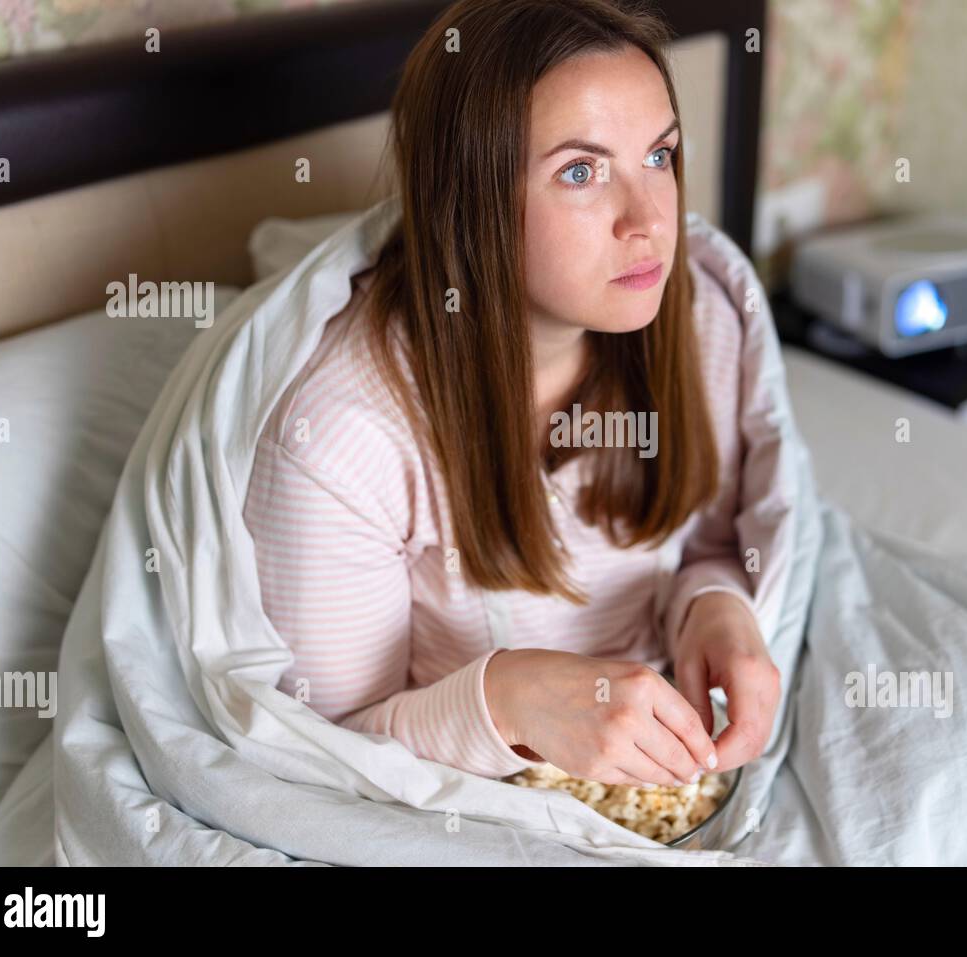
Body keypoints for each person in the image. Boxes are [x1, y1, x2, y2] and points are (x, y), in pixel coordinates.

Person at [242, 0, 781, 789]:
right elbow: (322, 751)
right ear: (473, 203)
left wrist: (715, 607)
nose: (650, 222)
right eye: (580, 170)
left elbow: (711, 540)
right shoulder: (341, 435)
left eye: (659, 157)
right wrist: (508, 700)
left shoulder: (698, 321)